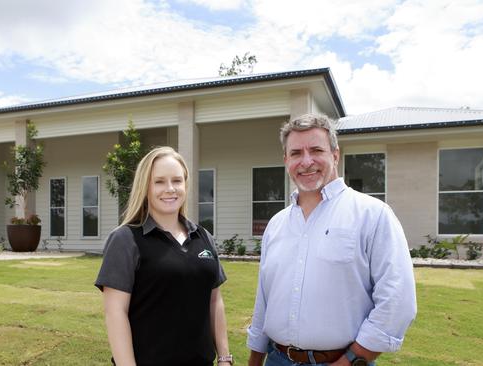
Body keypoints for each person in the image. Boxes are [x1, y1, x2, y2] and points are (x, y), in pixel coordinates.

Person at [247, 114, 417, 366]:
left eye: (316, 150)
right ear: (286, 160)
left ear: (335, 155)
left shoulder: (372, 214)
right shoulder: (276, 225)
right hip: (277, 359)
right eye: (296, 153)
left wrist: (352, 360)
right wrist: (254, 360)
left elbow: (397, 300)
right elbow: (264, 301)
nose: (306, 162)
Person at [95, 146, 232, 366]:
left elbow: (214, 300)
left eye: (177, 181)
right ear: (145, 187)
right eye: (159, 181)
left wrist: (224, 358)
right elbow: (115, 313)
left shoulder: (203, 237)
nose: (170, 189)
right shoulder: (125, 239)